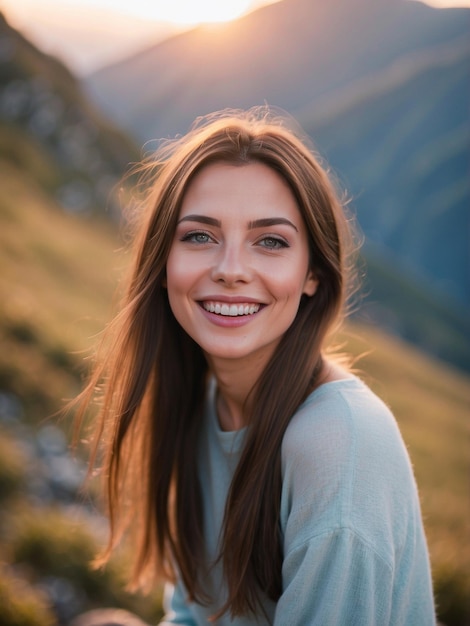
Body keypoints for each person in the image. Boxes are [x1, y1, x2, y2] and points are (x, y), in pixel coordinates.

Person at [75, 108, 436, 625]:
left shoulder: (340, 445)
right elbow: (194, 614)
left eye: (271, 241)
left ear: (312, 272)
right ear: (162, 261)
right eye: (200, 235)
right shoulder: (202, 404)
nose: (230, 271)